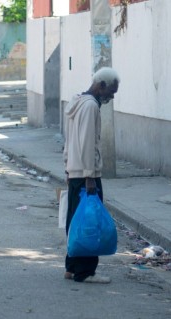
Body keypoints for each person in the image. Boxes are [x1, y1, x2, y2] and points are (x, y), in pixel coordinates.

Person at [63, 67, 120, 283]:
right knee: (89, 224)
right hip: (86, 174)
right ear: (101, 85)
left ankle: (71, 267)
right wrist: (89, 176)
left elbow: (69, 141)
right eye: (111, 91)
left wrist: (67, 167)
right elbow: (87, 142)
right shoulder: (90, 107)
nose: (111, 96)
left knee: (76, 220)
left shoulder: (79, 103)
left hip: (75, 170)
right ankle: (85, 271)